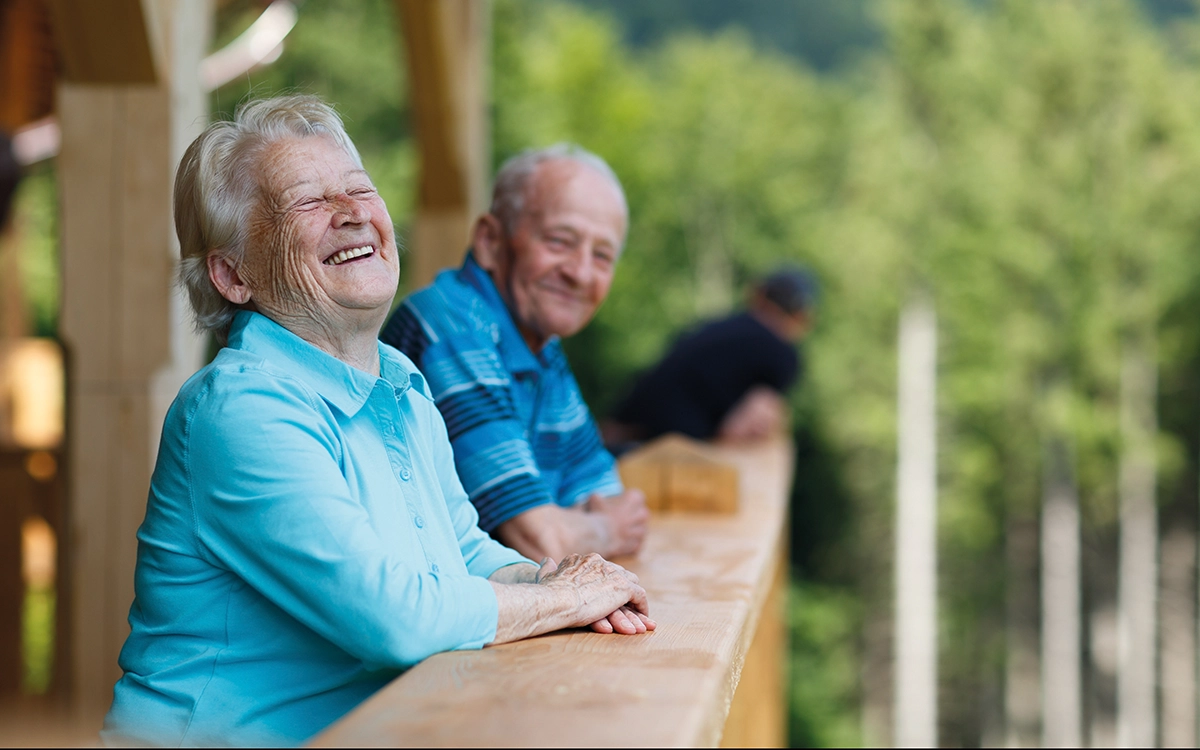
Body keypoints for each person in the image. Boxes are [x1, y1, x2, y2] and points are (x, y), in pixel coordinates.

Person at [101, 96, 653, 748]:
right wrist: (562, 602)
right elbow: (394, 616)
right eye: (307, 202)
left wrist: (568, 582)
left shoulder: (399, 379)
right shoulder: (238, 409)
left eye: (360, 189)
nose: (353, 212)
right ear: (233, 274)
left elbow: (463, 550)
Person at [380, 145, 648, 564]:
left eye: (601, 256)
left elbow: (603, 489)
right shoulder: (451, 326)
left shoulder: (539, 344)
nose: (579, 272)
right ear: (489, 240)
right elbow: (538, 542)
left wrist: (571, 524)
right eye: (560, 241)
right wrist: (602, 530)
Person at [604, 265, 816, 446]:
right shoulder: (782, 354)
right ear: (803, 317)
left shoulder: (713, 326)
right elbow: (738, 429)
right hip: (672, 448)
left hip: (619, 431)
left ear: (757, 294)